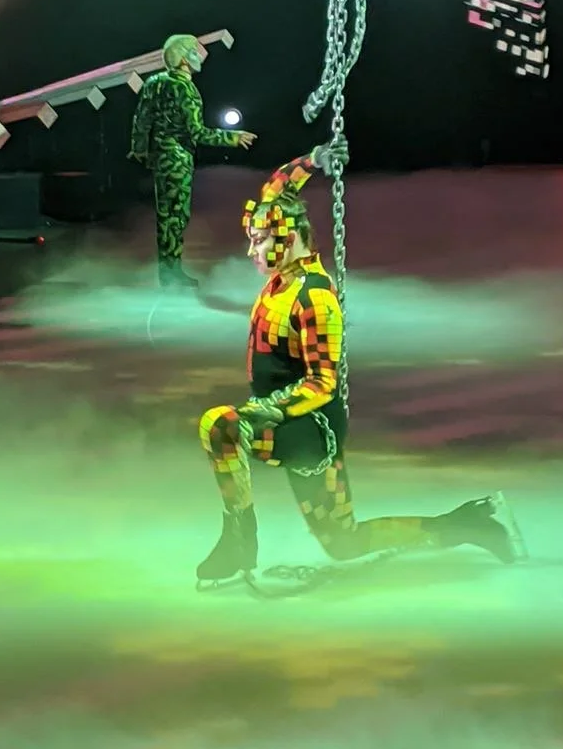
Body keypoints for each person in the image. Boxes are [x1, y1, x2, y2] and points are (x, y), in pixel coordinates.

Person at [196, 137, 526, 584]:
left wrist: (267, 410)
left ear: (288, 237)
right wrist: (312, 160)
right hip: (283, 420)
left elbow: (322, 383)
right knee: (342, 541)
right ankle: (470, 523)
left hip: (310, 428)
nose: (252, 251)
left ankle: (239, 541)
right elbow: (275, 189)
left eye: (259, 241)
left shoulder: (313, 297)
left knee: (221, 425)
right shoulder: (282, 273)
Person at [129, 34, 257, 287]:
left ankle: (167, 271)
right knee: (176, 216)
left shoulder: (154, 82)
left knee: (166, 216)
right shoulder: (186, 90)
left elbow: (141, 121)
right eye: (195, 52)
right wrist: (232, 138)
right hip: (177, 160)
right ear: (184, 57)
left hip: (160, 158)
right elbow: (197, 133)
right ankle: (170, 274)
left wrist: (140, 149)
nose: (199, 57)